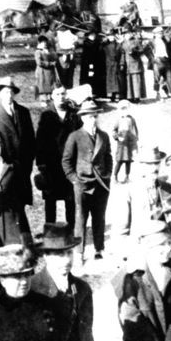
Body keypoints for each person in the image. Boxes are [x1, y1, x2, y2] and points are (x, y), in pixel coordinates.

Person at [61, 99, 113, 264]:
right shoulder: (75, 136)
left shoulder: (103, 136)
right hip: (83, 184)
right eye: (89, 116)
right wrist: (75, 180)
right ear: (83, 118)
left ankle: (99, 249)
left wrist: (108, 174)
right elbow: (66, 161)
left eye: (95, 116)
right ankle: (79, 253)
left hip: (101, 184)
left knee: (100, 217)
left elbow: (108, 156)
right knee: (80, 219)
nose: (93, 119)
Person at [0, 76, 35, 244]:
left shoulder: (23, 112)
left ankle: (24, 238)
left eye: (11, 92)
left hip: (22, 168)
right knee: (12, 206)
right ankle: (17, 239)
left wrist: (27, 165)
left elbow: (30, 141)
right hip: (6, 170)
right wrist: (6, 166)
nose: (8, 95)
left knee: (20, 203)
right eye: (5, 92)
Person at [34, 84, 81, 224]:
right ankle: (51, 233)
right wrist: (41, 164)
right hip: (51, 166)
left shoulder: (73, 115)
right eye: (57, 94)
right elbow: (40, 142)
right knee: (50, 202)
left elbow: (80, 138)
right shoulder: (46, 116)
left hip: (70, 165)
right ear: (52, 96)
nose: (61, 97)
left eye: (63, 94)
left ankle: (71, 231)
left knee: (70, 201)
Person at [113, 99, 139, 183]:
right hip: (122, 144)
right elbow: (114, 131)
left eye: (126, 109)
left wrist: (136, 140)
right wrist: (117, 137)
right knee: (120, 161)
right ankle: (115, 177)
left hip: (130, 143)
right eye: (123, 109)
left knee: (129, 161)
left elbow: (135, 130)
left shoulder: (132, 119)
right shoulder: (118, 120)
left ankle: (127, 177)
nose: (125, 111)